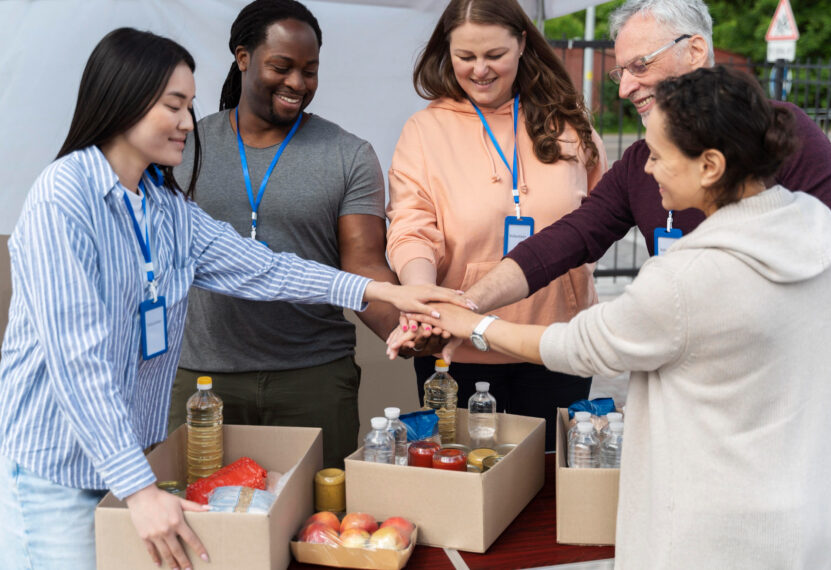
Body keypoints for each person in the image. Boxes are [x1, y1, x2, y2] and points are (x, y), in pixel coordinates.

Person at [0, 28, 461, 570]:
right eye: (174, 105)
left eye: (190, 106)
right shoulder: (63, 198)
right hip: (59, 472)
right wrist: (140, 489)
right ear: (124, 100)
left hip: (127, 466)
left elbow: (265, 270)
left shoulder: (162, 205)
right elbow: (77, 362)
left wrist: (381, 289)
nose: (187, 123)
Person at [403, 65, 831, 568]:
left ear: (710, 166)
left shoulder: (688, 278)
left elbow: (577, 345)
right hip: (819, 524)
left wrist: (470, 323)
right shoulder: (820, 233)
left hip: (720, 538)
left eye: (659, 156)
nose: (646, 169)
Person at [451, 0, 831, 341]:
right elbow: (569, 238)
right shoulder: (641, 159)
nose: (625, 88)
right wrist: (467, 302)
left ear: (695, 50)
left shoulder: (784, 132)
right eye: (620, 71)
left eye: (639, 66)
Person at [165, 0, 420, 469]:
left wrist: (409, 329)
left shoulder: (348, 155)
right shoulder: (183, 147)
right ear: (242, 57)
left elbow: (362, 264)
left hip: (314, 377)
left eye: (310, 70)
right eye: (281, 67)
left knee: (321, 524)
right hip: (203, 379)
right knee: (202, 520)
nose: (298, 84)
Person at [385, 0, 607, 450]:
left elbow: (601, 218)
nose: (479, 70)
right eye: (465, 57)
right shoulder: (424, 131)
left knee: (547, 490)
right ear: (446, 52)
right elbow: (411, 228)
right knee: (464, 485)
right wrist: (424, 302)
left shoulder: (569, 123)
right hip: (456, 350)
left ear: (523, 44)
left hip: (555, 343)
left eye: (494, 56)